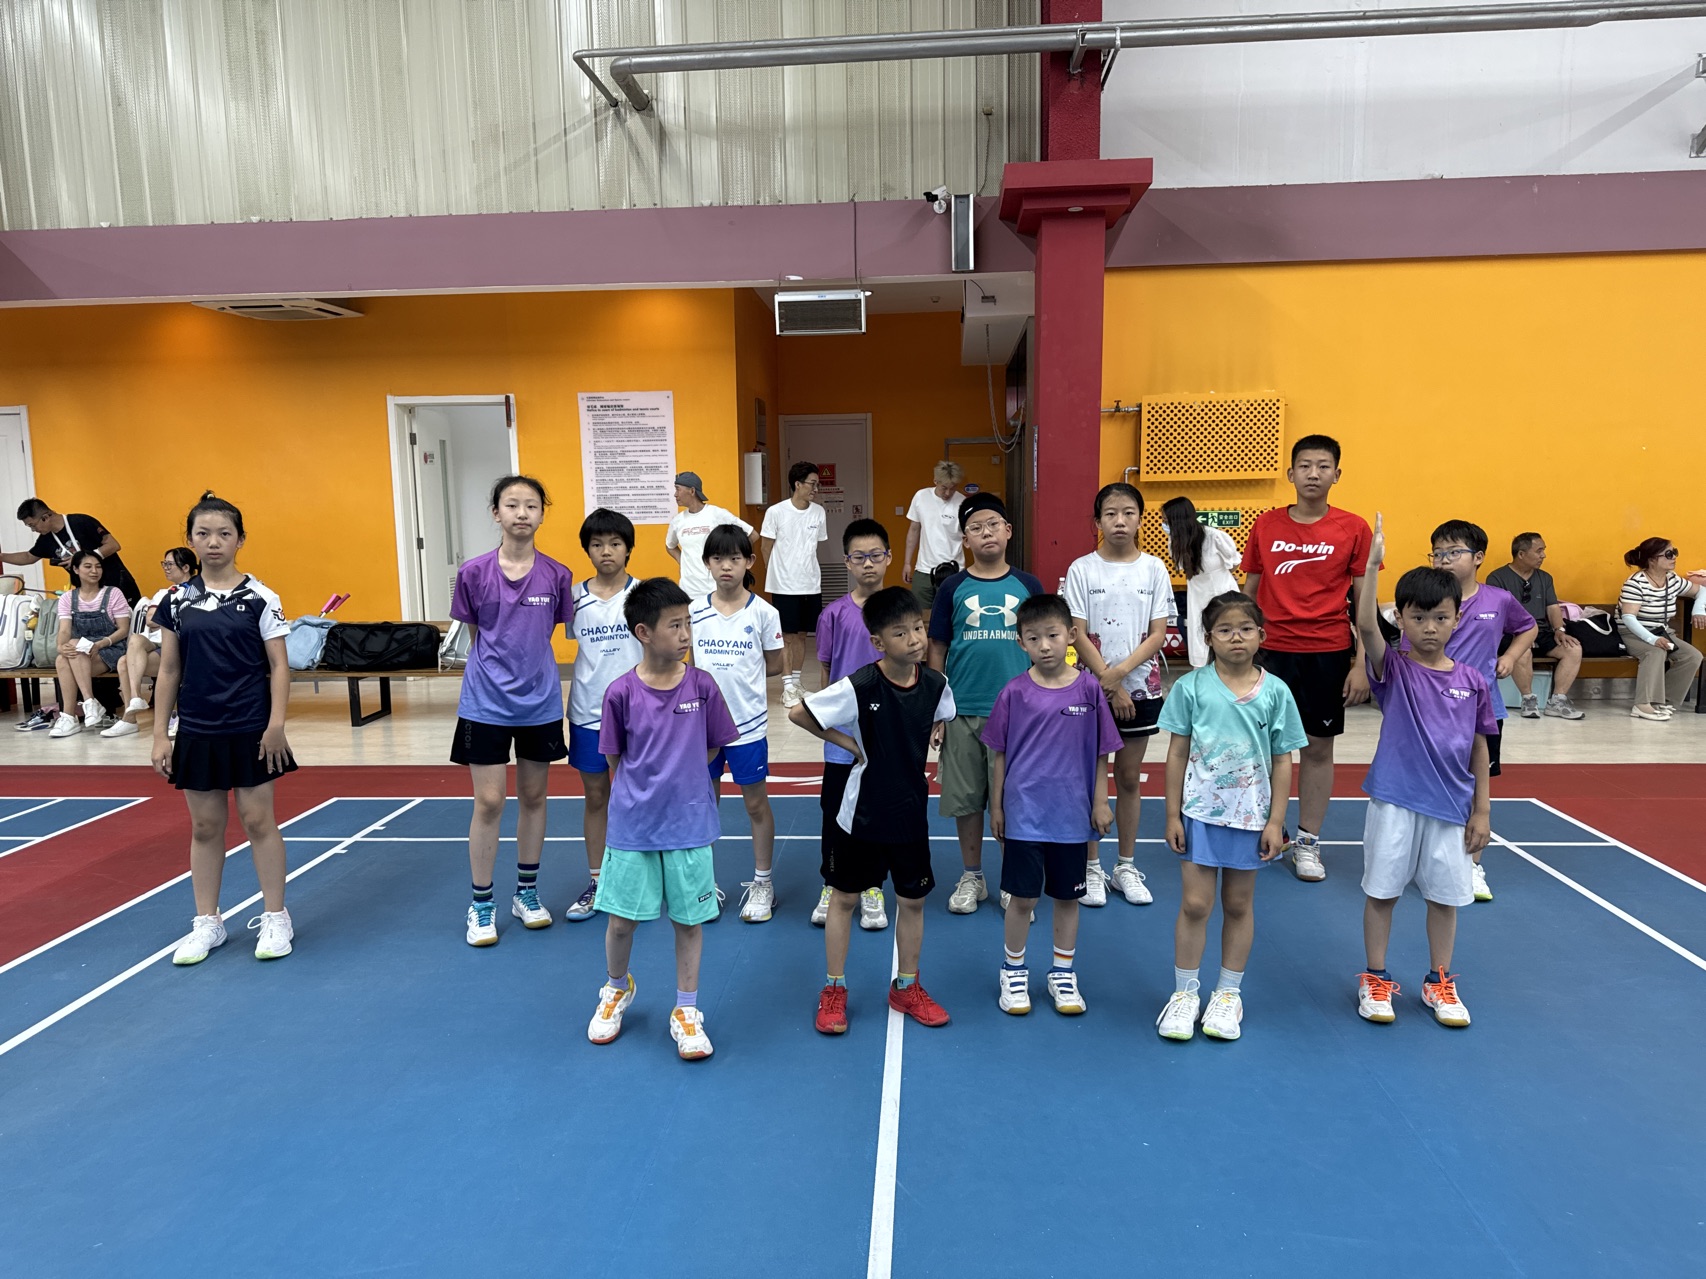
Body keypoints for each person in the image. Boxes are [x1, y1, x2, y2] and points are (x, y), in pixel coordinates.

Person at [791, 586, 957, 1035]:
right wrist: (849, 744)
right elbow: (800, 714)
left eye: (918, 628)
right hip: (861, 813)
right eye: (901, 633)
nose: (915, 639)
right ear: (879, 642)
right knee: (844, 899)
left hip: (910, 811)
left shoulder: (937, 685)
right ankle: (834, 988)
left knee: (913, 901)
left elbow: (940, 716)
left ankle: (907, 986)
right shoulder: (860, 684)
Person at [588, 578, 738, 1060]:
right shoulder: (619, 693)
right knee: (620, 923)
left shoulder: (703, 686)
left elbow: (712, 747)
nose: (686, 633)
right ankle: (616, 988)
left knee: (689, 923)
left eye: (688, 622)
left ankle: (686, 1010)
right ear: (644, 632)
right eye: (675, 625)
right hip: (633, 827)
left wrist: (681, 784)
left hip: (689, 826)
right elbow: (615, 760)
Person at [1354, 515, 1494, 1028]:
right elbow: (1366, 626)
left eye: (1440, 617)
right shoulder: (1394, 669)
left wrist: (1482, 810)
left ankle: (1439, 981)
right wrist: (1372, 565)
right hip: (1395, 800)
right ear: (1402, 620)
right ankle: (1375, 977)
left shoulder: (1473, 681)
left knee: (1445, 898)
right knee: (1382, 892)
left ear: (1457, 618)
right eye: (1417, 618)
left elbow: (1479, 745)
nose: (1429, 627)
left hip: (1452, 808)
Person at [1155, 592, 1307, 1042]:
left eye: (1245, 629)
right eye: (1224, 630)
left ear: (1261, 635)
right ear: (1208, 639)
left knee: (1238, 905)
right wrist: (1171, 814)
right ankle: (1185, 993)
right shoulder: (1191, 688)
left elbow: (1283, 760)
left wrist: (1276, 821)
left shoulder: (1276, 692)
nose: (1235, 637)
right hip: (1200, 815)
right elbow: (1176, 753)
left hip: (1252, 819)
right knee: (1195, 905)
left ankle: (1227, 994)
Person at [154, 492, 297, 966]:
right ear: (191, 540)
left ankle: (276, 917)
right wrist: (160, 734)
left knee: (258, 821)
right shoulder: (175, 601)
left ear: (240, 539)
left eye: (224, 533)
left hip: (250, 727)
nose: (214, 542)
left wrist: (276, 725)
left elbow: (279, 666)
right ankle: (207, 922)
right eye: (203, 534)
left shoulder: (261, 598)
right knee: (205, 826)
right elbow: (169, 670)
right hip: (197, 728)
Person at [1239, 435, 1373, 883]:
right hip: (1270, 652)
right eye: (1305, 466)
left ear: (1337, 474)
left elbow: (1364, 604)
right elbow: (1249, 592)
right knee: (1260, 748)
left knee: (1317, 748)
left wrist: (1360, 664)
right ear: (1291, 473)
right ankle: (1262, 830)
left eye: (1323, 466)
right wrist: (1236, 650)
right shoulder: (1266, 525)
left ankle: (1308, 842)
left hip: (1326, 652)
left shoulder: (1353, 529)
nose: (1313, 474)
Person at [450, 475, 575, 947]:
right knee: (489, 801)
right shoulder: (473, 573)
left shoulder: (557, 575)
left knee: (534, 797)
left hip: (539, 701)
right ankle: (481, 903)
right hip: (485, 702)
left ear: (542, 514)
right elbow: (476, 633)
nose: (522, 513)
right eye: (512, 505)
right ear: (496, 513)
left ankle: (526, 893)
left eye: (531, 505)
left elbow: (548, 633)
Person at [983, 594, 1121, 1017]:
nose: (1044, 646)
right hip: (1025, 815)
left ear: (1072, 636)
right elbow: (999, 755)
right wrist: (998, 808)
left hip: (1072, 817)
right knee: (1022, 899)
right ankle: (1013, 970)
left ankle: (1062, 972)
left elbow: (1102, 753)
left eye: (1052, 636)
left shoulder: (1090, 689)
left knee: (1067, 898)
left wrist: (1101, 801)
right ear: (1020, 642)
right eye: (1033, 638)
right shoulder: (1014, 693)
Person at [927, 493, 1045, 915]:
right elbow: (937, 647)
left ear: (1008, 531)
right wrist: (939, 710)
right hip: (962, 711)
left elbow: (1044, 644)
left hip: (1018, 715)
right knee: (966, 799)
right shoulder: (953, 588)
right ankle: (972, 876)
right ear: (965, 540)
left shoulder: (1028, 585)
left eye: (993, 524)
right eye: (975, 528)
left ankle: (1012, 878)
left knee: (1013, 800)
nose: (986, 533)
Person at [1412, 520, 1536, 904]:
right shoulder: (1425, 602)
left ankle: (1471, 865)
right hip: (1429, 709)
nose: (1444, 559)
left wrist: (1510, 657)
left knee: (1475, 787)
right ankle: (1425, 856)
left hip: (1481, 710)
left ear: (1478, 557)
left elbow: (1528, 627)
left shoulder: (1498, 600)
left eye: (1454, 552)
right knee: (1427, 784)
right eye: (1438, 553)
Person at [1065, 483, 1174, 908]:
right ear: (1097, 522)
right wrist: (1106, 684)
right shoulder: (1082, 569)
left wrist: (1120, 679)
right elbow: (1076, 632)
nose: (1120, 521)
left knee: (1128, 777)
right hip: (1090, 689)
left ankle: (1125, 865)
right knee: (1090, 778)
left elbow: (1158, 634)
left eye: (1128, 513)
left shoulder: (1154, 569)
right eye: (1110, 514)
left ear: (1140, 519)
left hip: (1140, 688)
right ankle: (1091, 866)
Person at [691, 524, 784, 922]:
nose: (726, 566)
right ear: (707, 563)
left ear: (749, 561)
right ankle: (703, 884)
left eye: (734, 558)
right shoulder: (693, 612)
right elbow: (688, 665)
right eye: (717, 558)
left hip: (748, 726)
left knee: (755, 803)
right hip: (702, 729)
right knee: (704, 804)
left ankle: (763, 883)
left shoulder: (764, 612)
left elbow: (775, 663)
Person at [809, 518, 895, 931]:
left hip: (886, 733)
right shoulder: (834, 614)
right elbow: (827, 672)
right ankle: (833, 882)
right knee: (834, 811)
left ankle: (873, 885)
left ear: (889, 558)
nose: (868, 564)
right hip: (843, 736)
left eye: (875, 555)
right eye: (859, 557)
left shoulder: (899, 610)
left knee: (877, 811)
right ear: (847, 562)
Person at [563, 508, 643, 923]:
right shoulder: (573, 598)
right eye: (597, 544)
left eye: (614, 543)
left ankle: (644, 876)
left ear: (628, 548)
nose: (606, 551)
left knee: (641, 795)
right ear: (587, 550)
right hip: (588, 712)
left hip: (641, 714)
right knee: (596, 796)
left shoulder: (645, 595)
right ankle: (599, 881)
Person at [1485, 533, 1585, 720]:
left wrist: (1559, 630)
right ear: (1521, 554)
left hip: (1542, 631)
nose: (1543, 555)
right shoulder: (1497, 578)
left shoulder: (1545, 578)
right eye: (1539, 551)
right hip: (1512, 631)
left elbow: (1553, 607)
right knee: (1522, 650)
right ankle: (1528, 699)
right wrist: (1522, 635)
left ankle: (1557, 701)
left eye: (1543, 551)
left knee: (1573, 649)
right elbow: (1497, 612)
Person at [102, 546, 199, 739]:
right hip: (157, 642)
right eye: (164, 564)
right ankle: (135, 699)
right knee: (136, 639)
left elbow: (191, 619)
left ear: (186, 567)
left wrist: (166, 616)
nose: (166, 568)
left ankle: (130, 718)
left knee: (123, 663)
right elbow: (150, 619)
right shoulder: (163, 593)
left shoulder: (199, 590)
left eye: (170, 564)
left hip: (181, 646)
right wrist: (175, 615)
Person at [761, 462, 828, 707]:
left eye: (817, 484)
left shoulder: (818, 512)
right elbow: (765, 547)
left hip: (810, 583)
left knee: (802, 635)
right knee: (787, 636)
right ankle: (787, 686)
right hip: (784, 585)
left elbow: (813, 546)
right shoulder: (776, 512)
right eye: (812, 484)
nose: (816, 489)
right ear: (797, 484)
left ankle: (797, 684)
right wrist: (776, 574)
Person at [1616, 537, 1706, 721]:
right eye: (1669, 554)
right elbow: (1628, 618)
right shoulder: (1636, 583)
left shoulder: (1672, 579)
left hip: (1661, 631)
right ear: (1652, 560)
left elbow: (1702, 590)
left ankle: (1664, 702)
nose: (1674, 557)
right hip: (1632, 632)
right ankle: (1642, 705)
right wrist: (1652, 639)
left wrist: (1698, 609)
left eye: (1674, 552)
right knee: (1655, 652)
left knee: (1692, 656)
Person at [47, 549, 131, 738]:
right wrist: (61, 647)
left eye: (98, 566)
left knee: (72, 650)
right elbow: (64, 630)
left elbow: (123, 630)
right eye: (88, 566)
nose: (94, 571)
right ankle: (85, 705)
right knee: (64, 657)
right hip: (81, 651)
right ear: (76, 569)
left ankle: (71, 715)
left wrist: (100, 644)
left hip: (110, 647)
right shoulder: (67, 598)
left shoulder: (113, 593)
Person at [4, 498, 140, 604]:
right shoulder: (46, 539)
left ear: (45, 517)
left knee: (128, 626)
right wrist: (1, 556)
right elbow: (28, 557)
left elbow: (113, 545)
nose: (33, 530)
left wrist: (83, 558)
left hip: (117, 584)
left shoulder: (81, 522)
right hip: (88, 594)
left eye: (33, 525)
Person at [1161, 496, 1241, 669]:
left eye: (1166, 521)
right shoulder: (1174, 543)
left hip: (1222, 592)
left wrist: (1224, 576)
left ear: (1178, 520)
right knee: (1200, 636)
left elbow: (1234, 562)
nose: (1164, 525)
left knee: (1225, 630)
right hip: (1197, 594)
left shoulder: (1215, 536)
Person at [665, 471, 751, 600]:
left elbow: (751, 534)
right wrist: (682, 561)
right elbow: (670, 546)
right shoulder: (677, 521)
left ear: (692, 491)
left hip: (716, 589)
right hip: (689, 590)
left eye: (678, 489)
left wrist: (732, 559)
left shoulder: (717, 514)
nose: (675, 494)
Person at [903, 461, 967, 610]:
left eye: (952, 488)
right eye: (944, 487)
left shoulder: (962, 502)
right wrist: (907, 562)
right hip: (924, 570)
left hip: (953, 571)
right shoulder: (921, 496)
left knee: (951, 616)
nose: (948, 493)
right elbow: (914, 530)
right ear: (935, 481)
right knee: (920, 615)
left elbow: (970, 536)